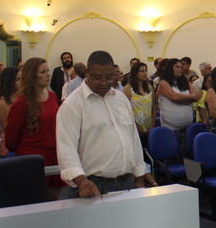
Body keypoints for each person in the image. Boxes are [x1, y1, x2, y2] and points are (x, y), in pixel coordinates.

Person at [57, 51, 153, 198]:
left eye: (109, 77)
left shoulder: (120, 99)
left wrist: (139, 175)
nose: (103, 82)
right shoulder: (73, 105)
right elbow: (66, 148)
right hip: (93, 185)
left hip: (127, 183)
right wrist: (81, 181)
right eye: (97, 78)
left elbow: (133, 138)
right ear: (87, 73)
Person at [5, 58, 62, 197]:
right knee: (36, 199)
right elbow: (11, 139)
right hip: (33, 155)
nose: (48, 74)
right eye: (43, 72)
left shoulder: (52, 96)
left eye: (48, 70)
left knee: (57, 198)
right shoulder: (22, 102)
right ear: (32, 75)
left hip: (54, 154)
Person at [157, 58, 201, 150]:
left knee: (186, 154)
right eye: (177, 67)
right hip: (170, 128)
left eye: (181, 67)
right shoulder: (163, 83)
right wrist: (189, 98)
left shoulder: (186, 82)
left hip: (187, 127)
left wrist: (182, 99)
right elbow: (174, 97)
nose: (180, 69)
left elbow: (195, 98)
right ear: (170, 68)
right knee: (172, 154)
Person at [123, 61, 156, 148]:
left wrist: (152, 125)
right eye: (141, 71)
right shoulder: (128, 88)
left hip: (148, 125)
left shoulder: (149, 86)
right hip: (135, 127)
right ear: (135, 73)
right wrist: (137, 127)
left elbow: (153, 106)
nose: (144, 73)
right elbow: (126, 111)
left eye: (145, 71)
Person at [0, 66, 20, 157]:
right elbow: (8, 128)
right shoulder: (2, 102)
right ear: (10, 82)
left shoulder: (22, 98)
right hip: (8, 148)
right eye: (18, 79)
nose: (22, 82)